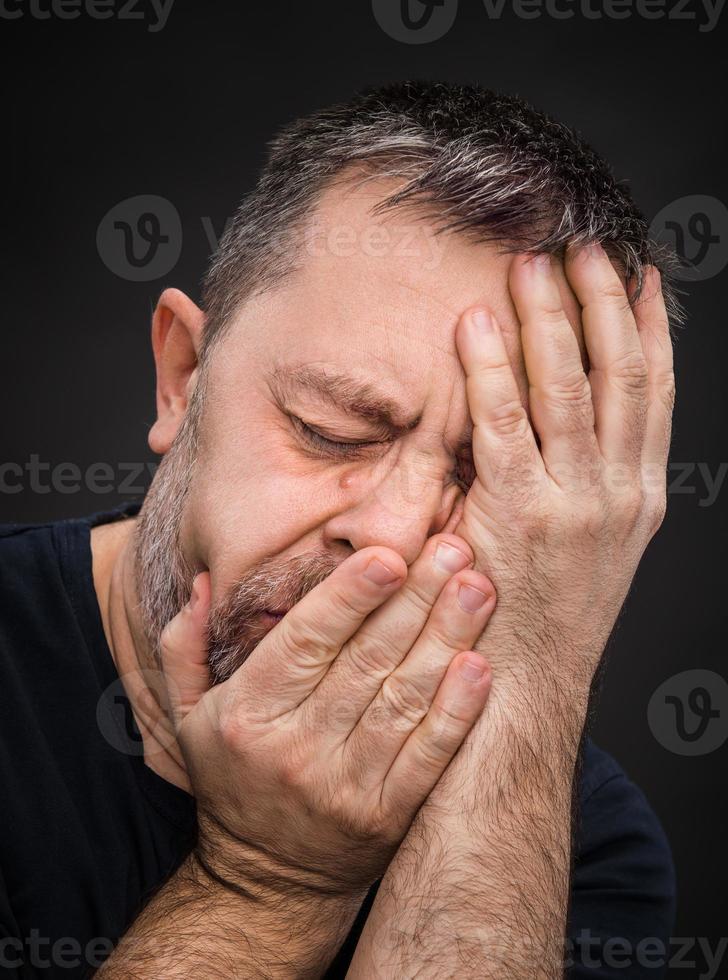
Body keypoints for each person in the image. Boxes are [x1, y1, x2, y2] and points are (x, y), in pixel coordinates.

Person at [0, 81, 679, 978]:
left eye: (487, 482)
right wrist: (272, 881)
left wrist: (539, 670)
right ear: (182, 376)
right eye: (331, 432)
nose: (393, 539)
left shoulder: (584, 848)